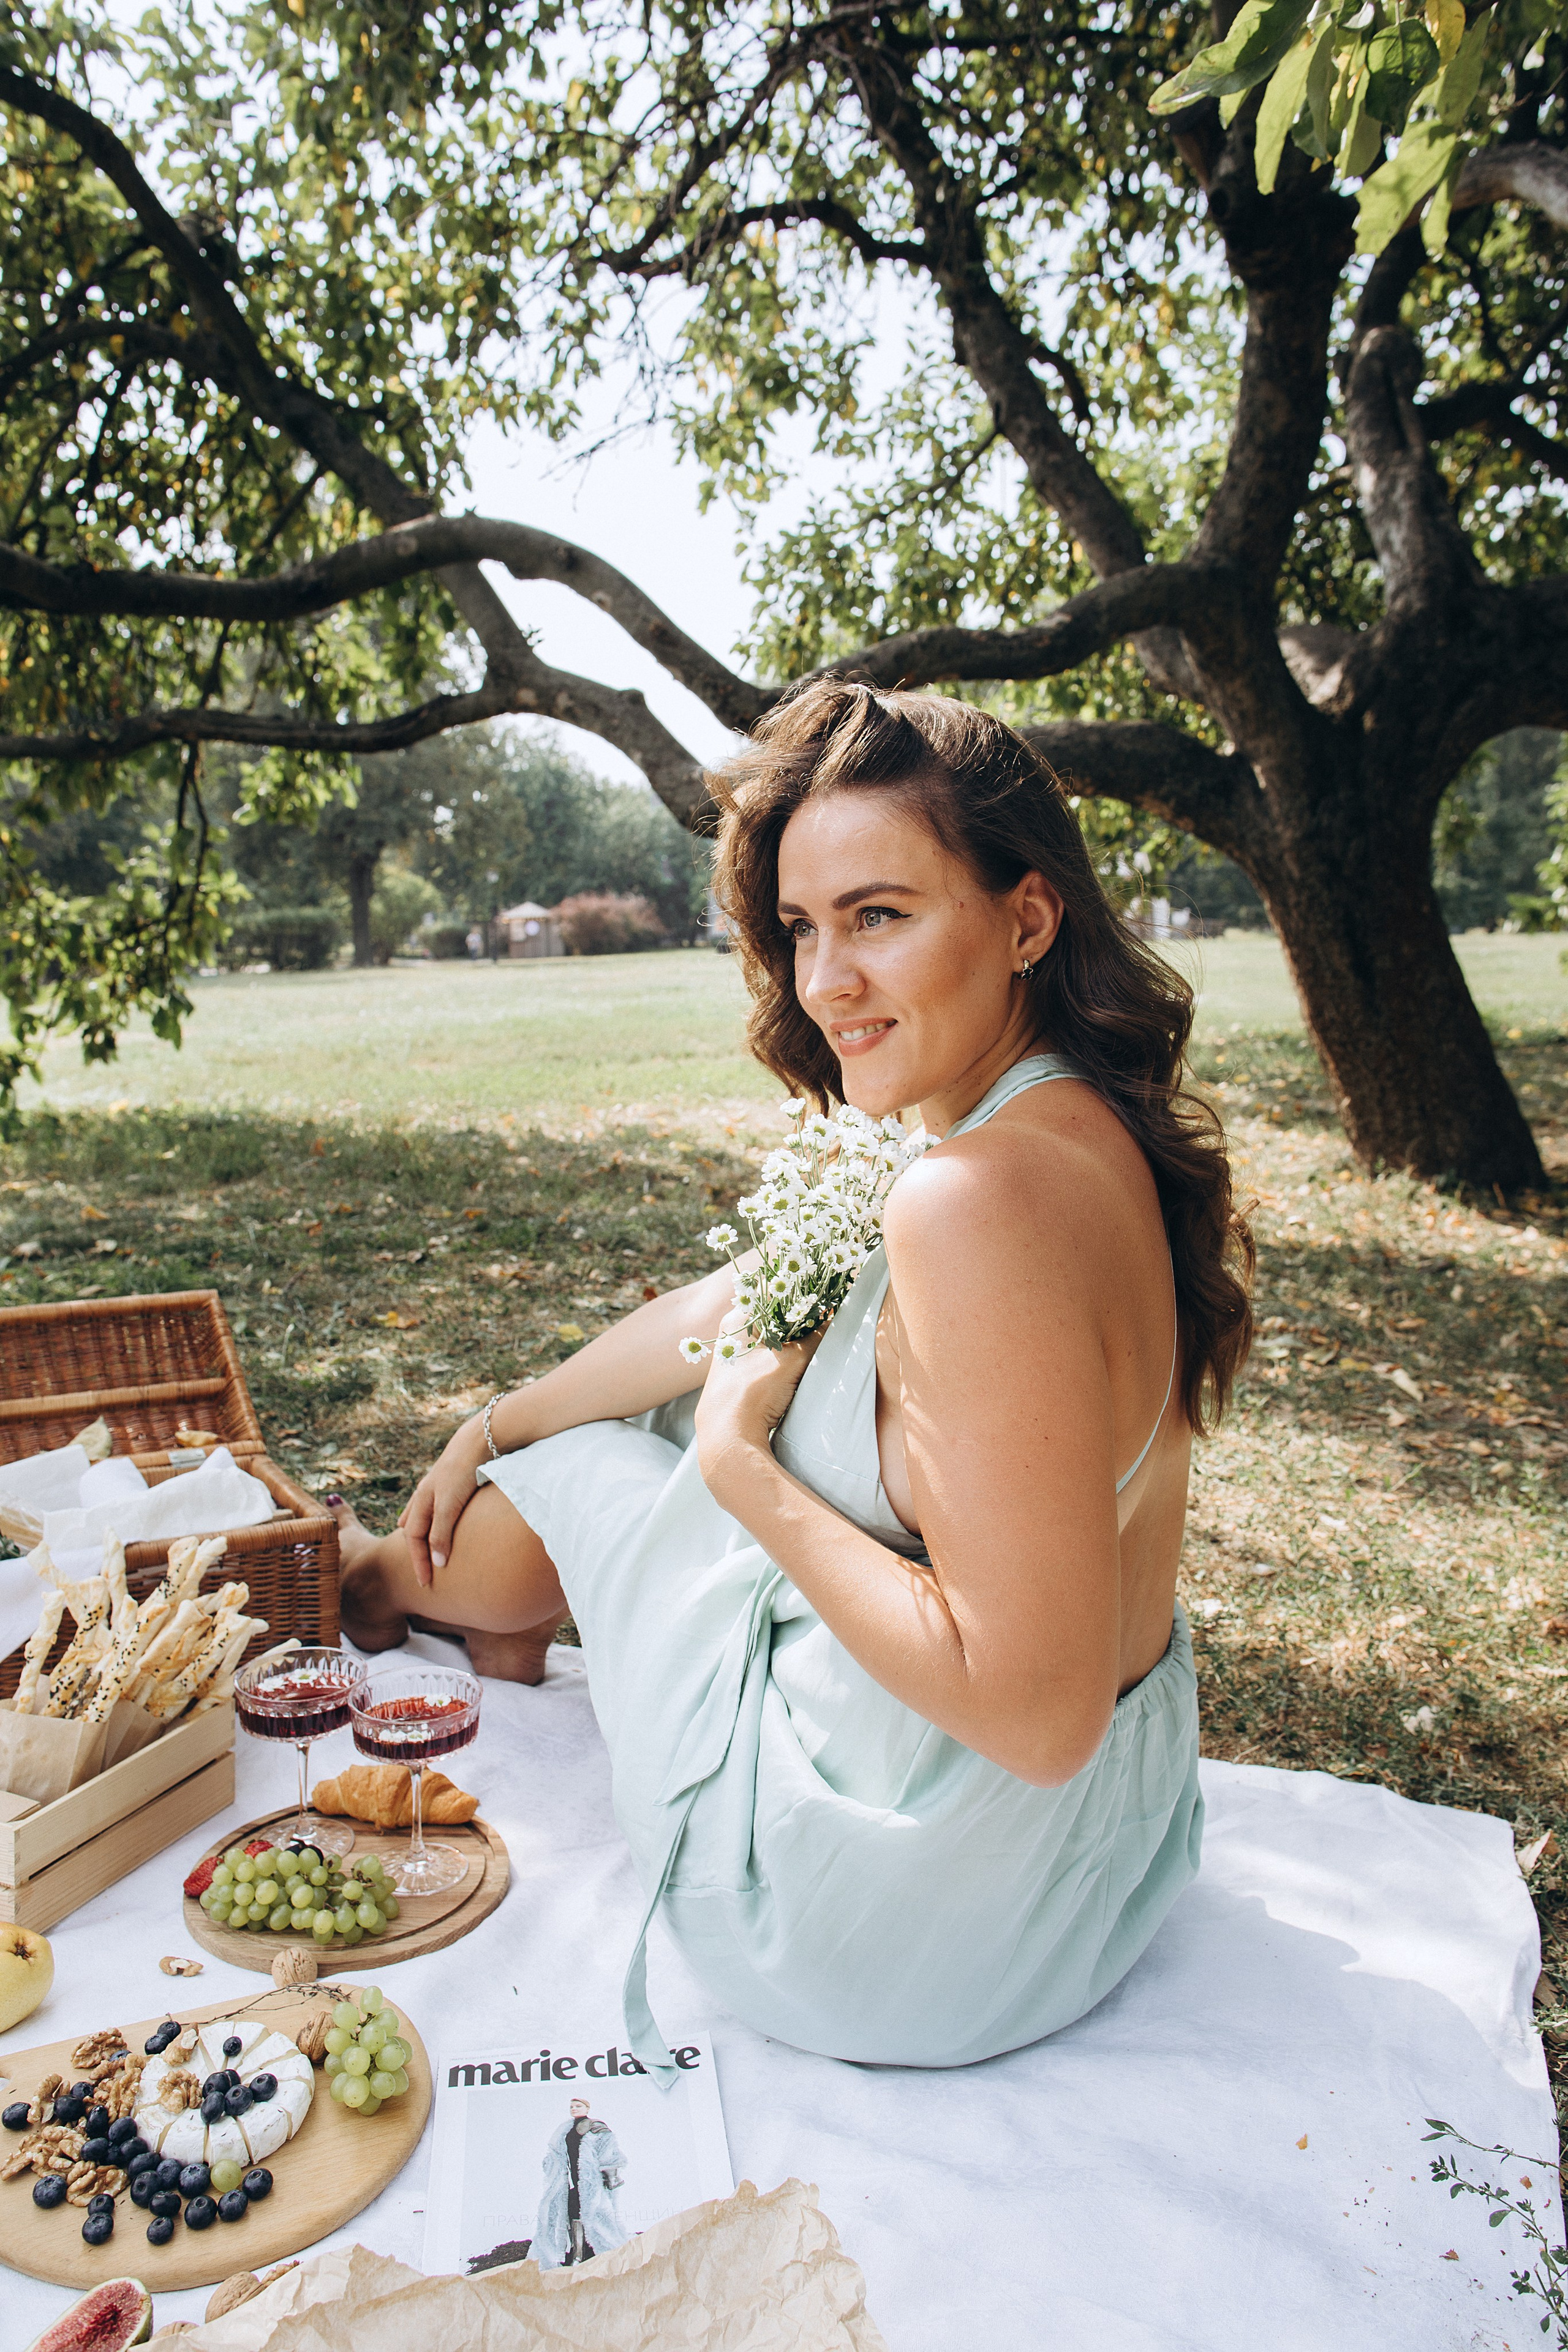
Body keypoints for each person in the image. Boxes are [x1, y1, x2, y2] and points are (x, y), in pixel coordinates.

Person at [329, 681, 1253, 2078]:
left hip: (902, 1932)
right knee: (590, 1426)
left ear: (1023, 915)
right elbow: (742, 1302)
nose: (823, 982)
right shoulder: (1064, 1116)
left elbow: (1037, 1714)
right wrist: (491, 1415)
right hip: (1095, 1880)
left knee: (614, 1469)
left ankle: (387, 1579)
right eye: (802, 925)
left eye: (877, 914)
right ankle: (467, 1597)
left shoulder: (972, 1203)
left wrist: (740, 1471)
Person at [533, 2097, 628, 2268]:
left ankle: (601, 2252)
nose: (574, 2109)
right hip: (569, 2181)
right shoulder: (564, 2130)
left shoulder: (596, 2126)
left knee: (597, 2215)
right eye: (571, 2107)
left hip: (592, 2182)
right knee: (571, 2212)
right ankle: (577, 2254)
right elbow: (555, 2153)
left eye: (578, 2106)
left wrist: (611, 2176)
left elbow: (610, 2152)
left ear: (587, 2108)